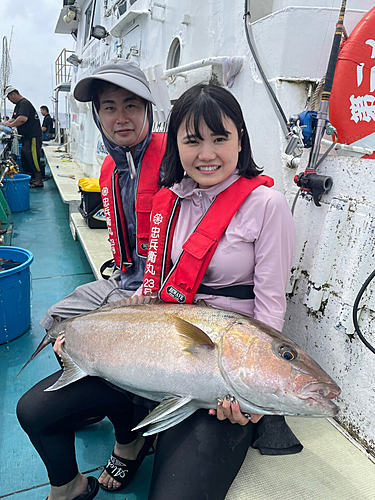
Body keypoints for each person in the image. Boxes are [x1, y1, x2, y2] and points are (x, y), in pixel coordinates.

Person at [17, 82, 302, 500]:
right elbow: (154, 288)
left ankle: (146, 431)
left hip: (219, 370)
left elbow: (271, 311)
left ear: (241, 139)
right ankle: (78, 483)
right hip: (157, 349)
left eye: (220, 138)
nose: (206, 154)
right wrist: (93, 335)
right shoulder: (171, 199)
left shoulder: (266, 206)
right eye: (192, 141)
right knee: (35, 411)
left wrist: (253, 397)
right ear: (178, 146)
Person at [17, 58, 166, 500]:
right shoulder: (108, 167)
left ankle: (129, 434)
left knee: (109, 345)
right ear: (97, 115)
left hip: (159, 290)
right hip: (122, 278)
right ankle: (91, 393)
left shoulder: (175, 158)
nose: (120, 117)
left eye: (131, 106)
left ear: (148, 109)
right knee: (54, 320)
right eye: (108, 107)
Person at [2, 86, 44, 187]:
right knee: (26, 159)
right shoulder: (18, 105)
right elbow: (13, 118)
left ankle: (38, 181)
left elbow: (22, 119)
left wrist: (10, 125)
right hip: (25, 137)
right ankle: (28, 180)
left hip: (33, 137)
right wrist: (4, 124)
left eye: (9, 97)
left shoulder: (24, 104)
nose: (9, 100)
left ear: (13, 94)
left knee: (33, 158)